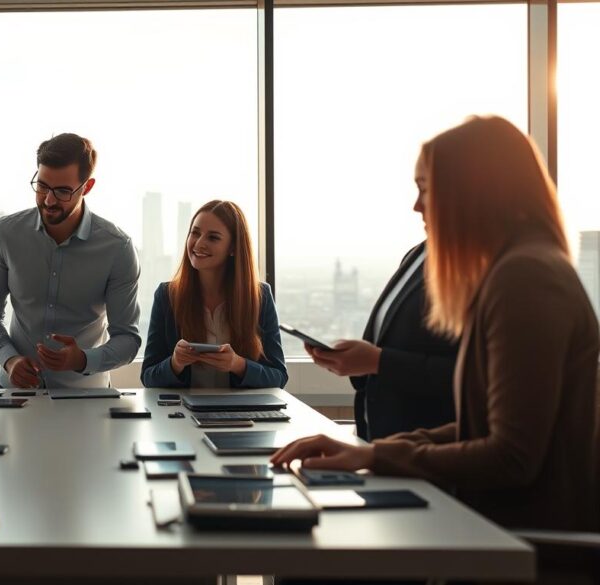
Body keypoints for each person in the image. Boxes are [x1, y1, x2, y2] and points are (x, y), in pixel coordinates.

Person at [272, 116, 599, 580]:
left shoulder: (525, 279)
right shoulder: (517, 270)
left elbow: (511, 455)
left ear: (475, 192)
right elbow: (477, 428)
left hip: (524, 547)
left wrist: (379, 455)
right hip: (496, 530)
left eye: (427, 188)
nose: (416, 205)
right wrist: (372, 453)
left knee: (310, 558)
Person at [0, 133, 141, 389]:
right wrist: (9, 360)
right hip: (15, 393)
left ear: (87, 186)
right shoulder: (6, 234)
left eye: (63, 191)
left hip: (86, 398)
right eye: (42, 186)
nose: (49, 200)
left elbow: (128, 339)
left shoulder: (117, 248)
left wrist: (84, 359)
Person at [304, 240, 458, 439]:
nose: (417, 207)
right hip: (381, 445)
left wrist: (377, 361)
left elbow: (469, 376)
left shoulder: (482, 265)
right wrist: (355, 362)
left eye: (431, 205)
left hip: (426, 452)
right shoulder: (416, 255)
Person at [141, 200, 287, 389]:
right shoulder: (167, 296)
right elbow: (148, 377)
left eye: (213, 237)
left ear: (233, 248)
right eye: (195, 233)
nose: (199, 243)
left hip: (242, 414)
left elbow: (279, 377)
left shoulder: (260, 297)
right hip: (182, 414)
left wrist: (237, 364)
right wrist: (175, 363)